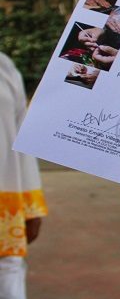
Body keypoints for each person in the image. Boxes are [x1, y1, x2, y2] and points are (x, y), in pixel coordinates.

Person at [0, 52, 48, 299]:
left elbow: (20, 136)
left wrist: (31, 206)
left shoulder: (4, 66)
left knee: (7, 271)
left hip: (4, 202)